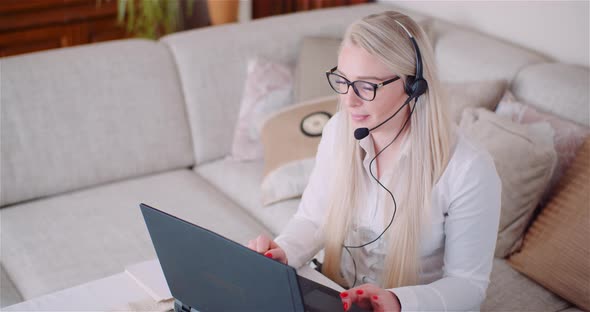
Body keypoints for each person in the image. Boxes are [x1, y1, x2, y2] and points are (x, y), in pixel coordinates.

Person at [247, 10, 501, 312]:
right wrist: (284, 252)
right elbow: (314, 218)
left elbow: (467, 285)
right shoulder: (338, 131)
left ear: (413, 86)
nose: (349, 100)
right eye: (343, 80)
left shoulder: (468, 169)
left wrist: (397, 301)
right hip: (337, 296)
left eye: (366, 86)